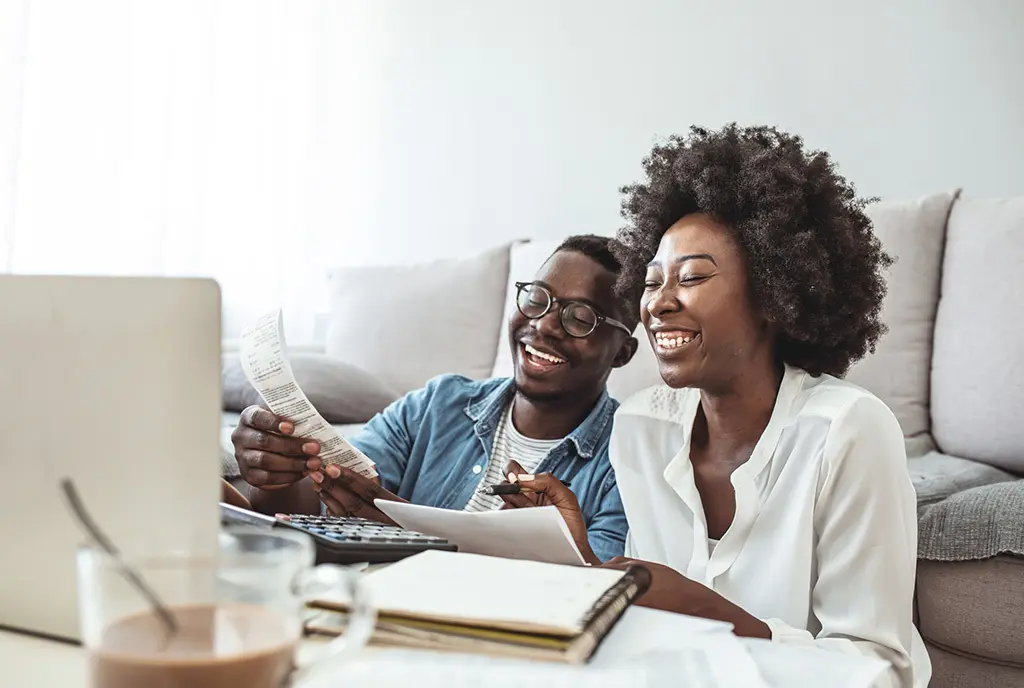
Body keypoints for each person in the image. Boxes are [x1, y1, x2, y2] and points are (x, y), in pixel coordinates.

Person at [512, 125, 927, 687]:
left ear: (775, 296)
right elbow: (650, 631)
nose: (659, 302)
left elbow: (883, 670)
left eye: (692, 277)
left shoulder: (848, 430)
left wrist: (711, 612)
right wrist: (583, 561)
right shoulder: (641, 427)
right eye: (653, 281)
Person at [230, 235, 642, 562]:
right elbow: (319, 509)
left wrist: (411, 535)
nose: (545, 325)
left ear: (622, 351)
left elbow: (602, 583)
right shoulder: (437, 404)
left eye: (580, 317)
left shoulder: (629, 460)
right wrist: (275, 477)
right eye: (537, 299)